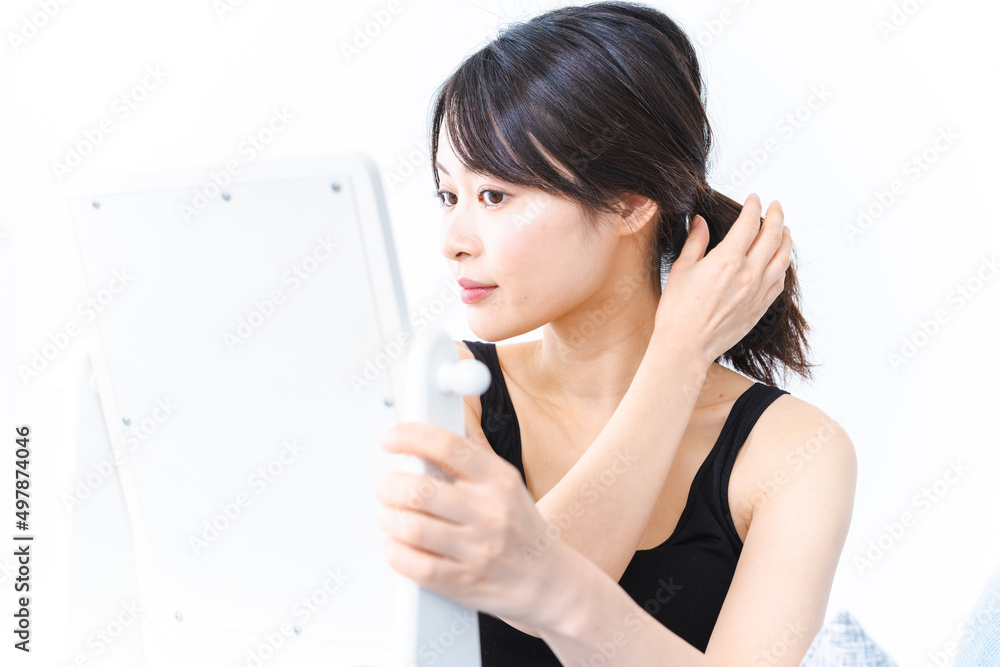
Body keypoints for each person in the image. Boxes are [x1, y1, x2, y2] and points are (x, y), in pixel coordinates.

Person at [374, 2, 857, 664]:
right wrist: (678, 357)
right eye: (448, 196)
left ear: (630, 203)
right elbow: (519, 600)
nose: (452, 241)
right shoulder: (445, 390)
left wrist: (681, 356)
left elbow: (535, 580)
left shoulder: (794, 451)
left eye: (494, 196)